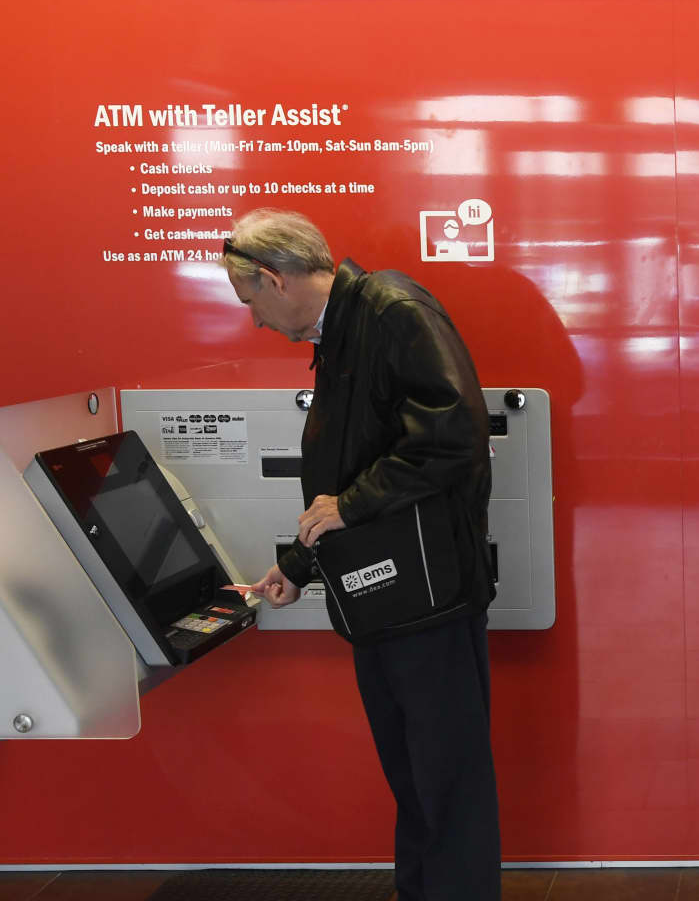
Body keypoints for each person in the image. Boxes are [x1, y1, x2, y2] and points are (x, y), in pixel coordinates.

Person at [222, 208, 502, 901]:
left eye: (250, 301)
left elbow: (454, 435)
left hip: (427, 600)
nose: (254, 321)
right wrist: (298, 564)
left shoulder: (391, 311)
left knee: (446, 784)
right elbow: (351, 469)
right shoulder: (346, 331)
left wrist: (349, 506)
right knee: (416, 779)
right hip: (388, 596)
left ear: (274, 279)